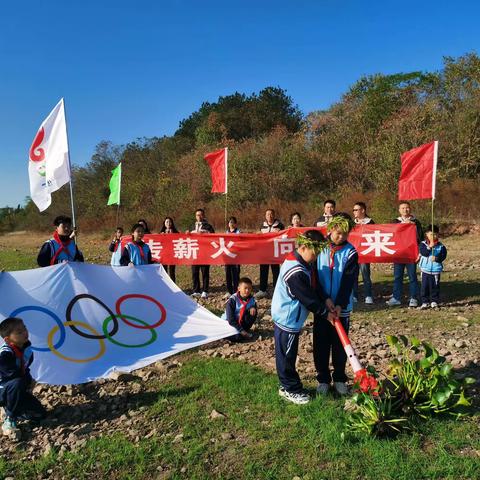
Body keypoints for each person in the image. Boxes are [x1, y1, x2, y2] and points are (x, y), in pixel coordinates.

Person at [272, 230, 330, 405]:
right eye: (315, 253)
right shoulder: (295, 270)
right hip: (287, 318)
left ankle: (288, 385)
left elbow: (313, 285)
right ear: (304, 247)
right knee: (286, 356)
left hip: (291, 317)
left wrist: (325, 299)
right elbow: (307, 298)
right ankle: (290, 389)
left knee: (287, 353)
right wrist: (326, 313)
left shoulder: (303, 261)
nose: (316, 257)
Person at [314, 213, 358, 396]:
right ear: (330, 229)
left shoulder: (351, 252)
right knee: (320, 344)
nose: (342, 237)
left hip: (341, 308)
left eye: (345, 234)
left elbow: (349, 281)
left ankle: (339, 378)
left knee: (340, 344)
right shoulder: (319, 248)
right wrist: (325, 299)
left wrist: (339, 303)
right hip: (322, 306)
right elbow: (314, 276)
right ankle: (323, 379)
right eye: (339, 233)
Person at [0, 317, 46, 437]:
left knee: (40, 414)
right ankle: (9, 418)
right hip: (4, 389)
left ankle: (11, 409)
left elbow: (24, 368)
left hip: (16, 387)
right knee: (18, 382)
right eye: (19, 332)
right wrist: (28, 380)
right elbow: (11, 375)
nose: (25, 332)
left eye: (24, 328)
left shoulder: (27, 349)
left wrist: (29, 379)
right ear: (7, 339)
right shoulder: (5, 354)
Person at [386, 202, 423, 308]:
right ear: (399, 210)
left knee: (412, 277)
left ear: (410, 209)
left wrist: (419, 253)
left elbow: (420, 238)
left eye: (407, 208)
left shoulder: (416, 222)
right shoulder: (395, 221)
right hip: (398, 253)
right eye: (403, 208)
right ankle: (396, 298)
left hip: (411, 253)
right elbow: (390, 234)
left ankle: (413, 298)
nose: (405, 210)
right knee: (397, 276)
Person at [255, 209, 284, 299]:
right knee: (263, 270)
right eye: (268, 214)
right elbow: (258, 236)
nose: (270, 216)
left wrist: (279, 233)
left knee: (275, 271)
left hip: (275, 252)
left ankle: (277, 289)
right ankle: (262, 290)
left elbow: (284, 236)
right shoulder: (262, 226)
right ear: (265, 216)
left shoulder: (280, 225)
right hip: (264, 252)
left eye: (271, 214)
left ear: (274, 215)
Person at [419, 225, 447, 309]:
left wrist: (437, 258)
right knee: (424, 286)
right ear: (426, 234)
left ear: (438, 235)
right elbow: (424, 253)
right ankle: (425, 301)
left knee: (434, 286)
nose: (433, 236)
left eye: (435, 234)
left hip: (435, 270)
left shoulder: (441, 246)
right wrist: (429, 247)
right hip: (425, 270)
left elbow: (443, 256)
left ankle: (434, 301)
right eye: (431, 234)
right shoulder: (423, 244)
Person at [188, 208, 215, 299]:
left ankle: (205, 290)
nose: (199, 217)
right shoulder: (192, 226)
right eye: (197, 215)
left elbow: (213, 237)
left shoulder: (208, 226)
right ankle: (196, 290)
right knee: (194, 272)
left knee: (205, 272)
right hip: (195, 252)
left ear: (203, 216)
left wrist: (205, 233)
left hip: (204, 252)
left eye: (200, 215)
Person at [352, 202, 375, 304]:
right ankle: (354, 296)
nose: (354, 212)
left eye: (356, 210)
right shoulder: (351, 223)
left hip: (365, 252)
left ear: (363, 210)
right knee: (353, 275)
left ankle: (368, 295)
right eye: (354, 210)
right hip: (353, 252)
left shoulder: (370, 222)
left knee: (365, 274)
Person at [222, 277, 257, 341]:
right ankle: (241, 333)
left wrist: (253, 308)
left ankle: (244, 330)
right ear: (239, 288)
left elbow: (253, 315)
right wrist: (241, 331)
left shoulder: (252, 300)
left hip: (240, 322)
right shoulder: (232, 300)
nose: (247, 290)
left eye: (249, 288)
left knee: (253, 311)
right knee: (237, 337)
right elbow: (230, 319)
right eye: (245, 288)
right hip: (228, 323)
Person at [224, 216, 241, 298]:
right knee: (228, 274)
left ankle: (236, 291)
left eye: (233, 222)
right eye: (230, 222)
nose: (231, 224)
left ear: (236, 223)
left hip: (236, 257)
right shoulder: (226, 232)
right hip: (227, 256)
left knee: (236, 274)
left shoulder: (238, 232)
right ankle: (229, 291)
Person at [160, 217, 179, 283]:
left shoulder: (176, 232)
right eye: (167, 222)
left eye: (170, 222)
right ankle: (165, 285)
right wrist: (161, 236)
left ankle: (173, 285)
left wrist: (173, 235)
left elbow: (181, 239)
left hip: (172, 254)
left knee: (172, 271)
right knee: (164, 271)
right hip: (164, 254)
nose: (168, 223)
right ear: (164, 223)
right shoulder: (161, 233)